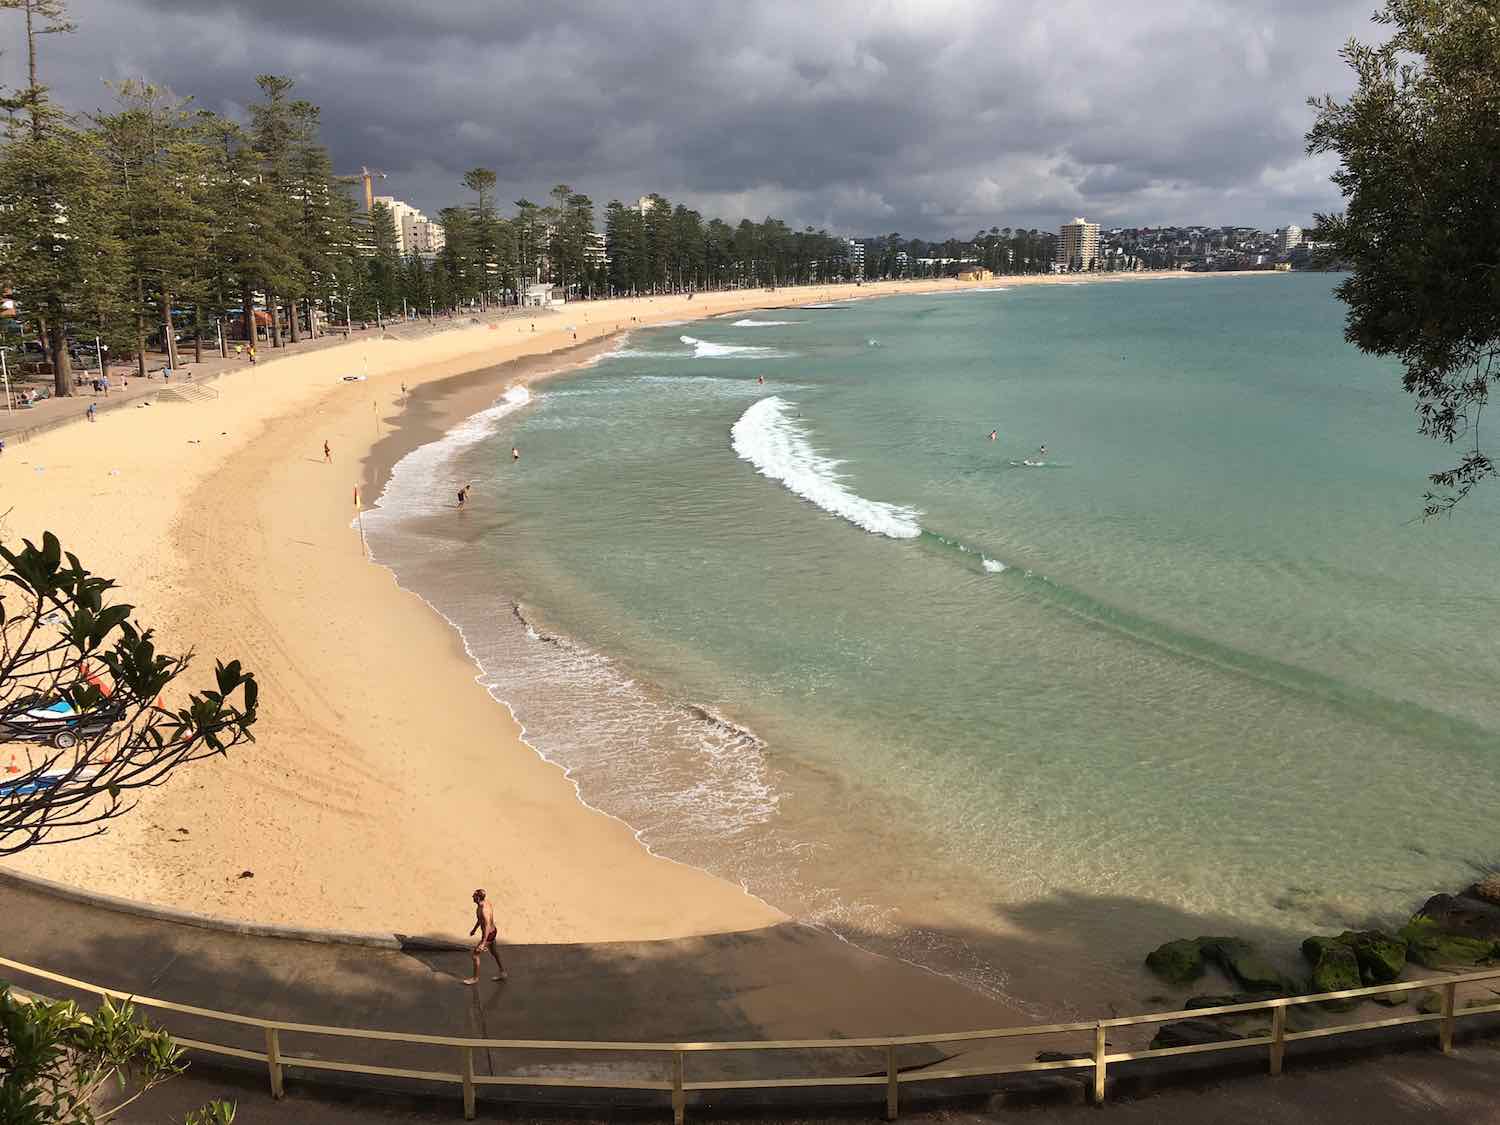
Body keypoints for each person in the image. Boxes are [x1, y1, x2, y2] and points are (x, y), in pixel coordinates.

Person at [464, 889, 507, 985]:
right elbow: (480, 920)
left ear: (478, 898)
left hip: (488, 935)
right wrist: (474, 929)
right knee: (494, 952)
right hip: (493, 932)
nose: (472, 897)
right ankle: (503, 973)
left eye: (474, 896)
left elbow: (487, 925)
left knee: (475, 955)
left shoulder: (484, 910)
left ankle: (475, 978)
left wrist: (483, 943)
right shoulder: (485, 903)